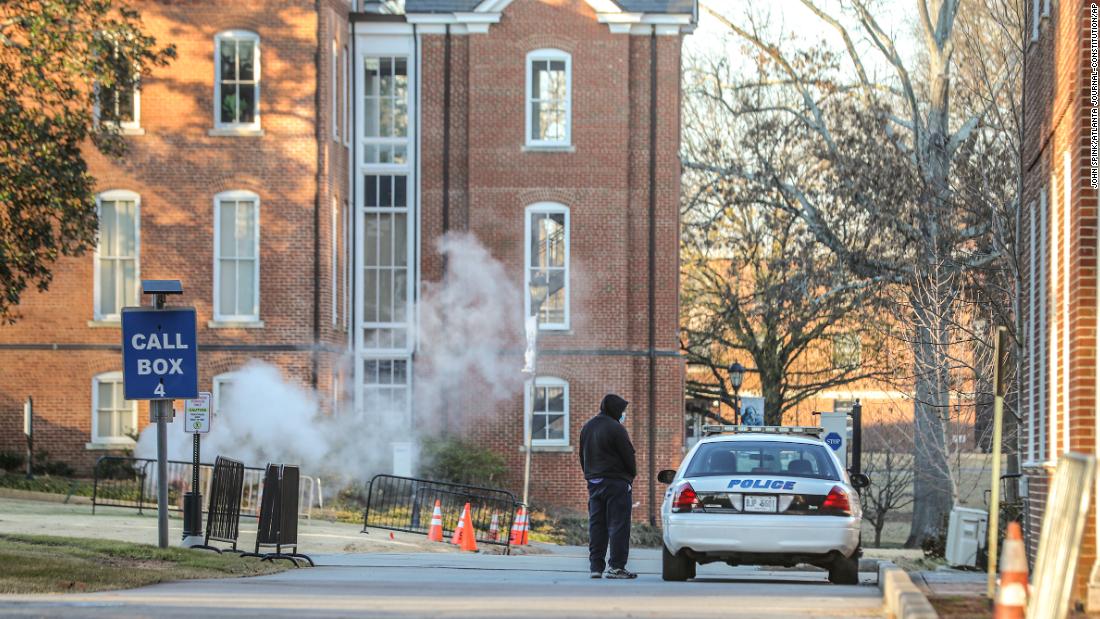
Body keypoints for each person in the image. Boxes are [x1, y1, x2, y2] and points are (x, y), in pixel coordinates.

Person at [579, 393, 637, 579]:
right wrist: (629, 477)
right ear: (615, 410)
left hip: (594, 482)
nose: (623, 414)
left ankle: (596, 567)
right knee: (619, 525)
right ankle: (616, 566)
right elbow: (629, 456)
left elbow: (582, 456)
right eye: (622, 410)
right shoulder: (616, 428)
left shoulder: (587, 427)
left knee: (597, 525)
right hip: (616, 483)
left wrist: (590, 475)